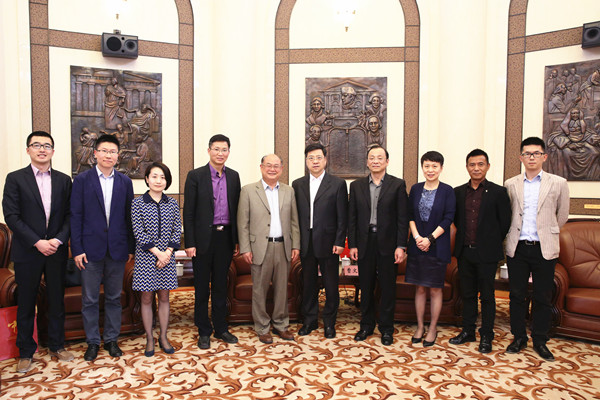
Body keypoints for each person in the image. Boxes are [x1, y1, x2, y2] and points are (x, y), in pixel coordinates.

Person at [2, 131, 73, 373]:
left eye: (47, 145)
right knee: (26, 301)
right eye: (36, 145)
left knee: (56, 300)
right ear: (28, 150)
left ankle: (57, 345)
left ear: (53, 151)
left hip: (56, 250)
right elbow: (12, 216)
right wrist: (37, 242)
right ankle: (25, 351)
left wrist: (58, 240)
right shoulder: (15, 178)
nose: (42, 149)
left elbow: (70, 215)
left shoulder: (64, 180)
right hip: (28, 251)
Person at [504, 136, 570, 362]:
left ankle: (540, 340)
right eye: (527, 154)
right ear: (521, 157)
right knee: (517, 295)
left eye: (536, 153)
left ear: (544, 156)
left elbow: (562, 215)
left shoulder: (558, 183)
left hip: (544, 247)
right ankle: (519, 337)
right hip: (518, 247)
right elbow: (508, 214)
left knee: (543, 296)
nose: (531, 157)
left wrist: (546, 232)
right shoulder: (511, 184)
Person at [71, 134, 135, 361]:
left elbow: (129, 218)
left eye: (113, 152)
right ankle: (92, 341)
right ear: (95, 153)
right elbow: (75, 216)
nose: (108, 155)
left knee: (114, 297)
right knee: (89, 299)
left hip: (117, 249)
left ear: (118, 156)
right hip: (89, 250)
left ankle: (111, 339)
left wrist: (130, 247)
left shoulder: (125, 182)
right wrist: (77, 249)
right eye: (104, 151)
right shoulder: (82, 180)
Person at [449, 149, 511, 353]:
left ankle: (486, 335)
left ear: (488, 166)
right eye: (472, 164)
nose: (476, 168)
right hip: (465, 251)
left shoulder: (498, 192)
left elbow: (505, 223)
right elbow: (456, 220)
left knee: (487, 296)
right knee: (467, 294)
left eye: (480, 164)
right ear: (467, 167)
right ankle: (468, 331)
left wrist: (489, 240)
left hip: (487, 253)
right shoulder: (458, 192)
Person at [183, 134, 241, 349]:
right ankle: (203, 330)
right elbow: (188, 212)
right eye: (216, 149)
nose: (220, 153)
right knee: (201, 287)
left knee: (220, 286)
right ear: (209, 151)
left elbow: (237, 210)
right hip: (202, 240)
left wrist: (237, 240)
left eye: (224, 149)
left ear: (229, 152)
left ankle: (221, 327)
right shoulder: (195, 176)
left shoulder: (234, 176)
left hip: (225, 238)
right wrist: (190, 242)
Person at [348, 145, 408, 346]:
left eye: (379, 158)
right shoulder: (356, 186)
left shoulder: (397, 185)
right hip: (364, 243)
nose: (375, 161)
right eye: (372, 158)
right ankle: (366, 325)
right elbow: (352, 218)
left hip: (389, 244)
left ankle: (386, 328)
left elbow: (402, 218)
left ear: (387, 161)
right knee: (366, 286)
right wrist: (352, 245)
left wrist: (401, 246)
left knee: (387, 288)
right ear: (367, 162)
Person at [237, 154, 300, 344]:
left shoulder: (289, 191)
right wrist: (245, 248)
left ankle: (281, 324)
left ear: (281, 169)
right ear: (261, 167)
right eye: (268, 165)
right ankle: (262, 327)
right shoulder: (248, 190)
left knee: (281, 289)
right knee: (259, 289)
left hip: (283, 246)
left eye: (276, 166)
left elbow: (294, 222)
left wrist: (295, 245)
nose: (272, 169)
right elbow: (243, 223)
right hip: (259, 248)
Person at [292, 143, 348, 339]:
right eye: (310, 158)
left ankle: (329, 323)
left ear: (325, 160)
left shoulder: (338, 184)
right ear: (306, 161)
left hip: (329, 242)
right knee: (308, 284)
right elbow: (295, 217)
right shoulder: (297, 184)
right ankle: (310, 321)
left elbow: (342, 216)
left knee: (331, 285)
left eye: (318, 158)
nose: (314, 161)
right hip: (306, 242)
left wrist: (340, 241)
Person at [406, 151, 455, 347]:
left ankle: (433, 328)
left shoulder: (447, 191)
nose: (430, 170)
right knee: (419, 288)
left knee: (435, 289)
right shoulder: (416, 189)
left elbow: (448, 218)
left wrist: (430, 239)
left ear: (441, 168)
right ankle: (420, 326)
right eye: (427, 166)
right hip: (417, 245)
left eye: (435, 166)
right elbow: (410, 215)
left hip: (437, 246)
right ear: (422, 167)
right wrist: (418, 238)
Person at [132, 162, 181, 357]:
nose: (158, 180)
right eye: (154, 176)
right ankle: (149, 338)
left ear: (167, 181)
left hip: (167, 258)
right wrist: (158, 253)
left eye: (162, 177)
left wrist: (167, 252)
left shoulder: (172, 204)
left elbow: (176, 230)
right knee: (146, 298)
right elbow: (139, 232)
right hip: (146, 257)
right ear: (147, 179)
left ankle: (163, 336)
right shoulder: (137, 203)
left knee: (164, 297)